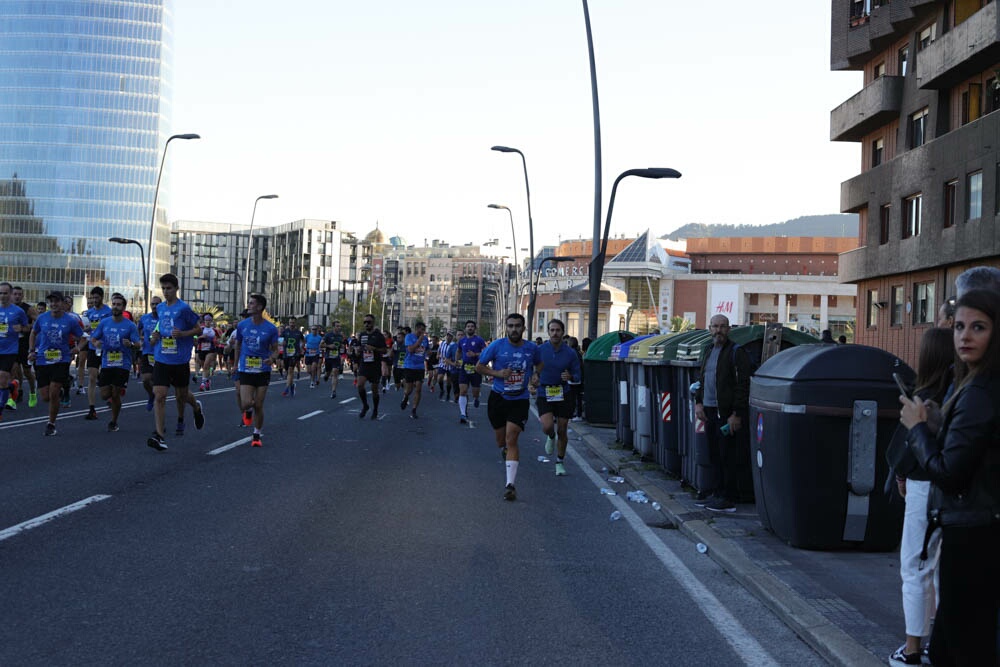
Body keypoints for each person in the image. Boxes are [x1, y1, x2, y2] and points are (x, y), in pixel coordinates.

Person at [901, 288, 1000, 666]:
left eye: (978, 327)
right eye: (959, 327)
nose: (965, 336)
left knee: (957, 647)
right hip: (979, 530)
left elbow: (950, 474)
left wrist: (917, 430)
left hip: (973, 535)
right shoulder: (976, 384)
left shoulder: (979, 392)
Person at [887, 327, 953, 667]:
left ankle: (912, 649)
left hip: (923, 486)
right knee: (939, 571)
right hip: (953, 489)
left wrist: (899, 474)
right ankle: (937, 644)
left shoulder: (923, 397)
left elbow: (905, 449)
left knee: (914, 567)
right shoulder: (959, 393)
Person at [476, 313, 542, 501]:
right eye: (511, 326)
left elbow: (539, 364)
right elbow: (479, 367)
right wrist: (497, 372)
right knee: (501, 441)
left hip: (519, 399)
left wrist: (536, 375)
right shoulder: (497, 346)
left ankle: (510, 485)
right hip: (498, 398)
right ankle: (505, 451)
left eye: (518, 326)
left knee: (511, 438)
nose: (514, 329)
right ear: (506, 328)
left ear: (523, 328)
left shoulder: (531, 348)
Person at [693, 314, 753, 513]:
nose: (718, 330)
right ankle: (716, 494)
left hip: (726, 414)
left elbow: (743, 386)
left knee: (727, 455)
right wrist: (698, 403)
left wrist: (736, 413)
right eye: (715, 326)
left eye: (722, 327)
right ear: (709, 329)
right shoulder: (709, 351)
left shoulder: (736, 352)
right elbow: (701, 379)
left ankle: (727, 498)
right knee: (714, 455)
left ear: (728, 329)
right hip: (709, 412)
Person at [147, 273, 206, 451]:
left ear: (176, 289)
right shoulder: (161, 308)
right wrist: (155, 336)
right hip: (162, 357)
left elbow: (197, 328)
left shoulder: (184, 308)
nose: (166, 292)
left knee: (181, 396)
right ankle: (159, 436)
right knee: (160, 395)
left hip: (180, 359)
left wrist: (183, 334)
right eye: (163, 288)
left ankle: (196, 407)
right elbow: (161, 326)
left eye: (169, 288)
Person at [28, 291, 84, 436]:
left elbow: (83, 337)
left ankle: (51, 423)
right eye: (51, 302)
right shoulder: (42, 318)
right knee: (46, 397)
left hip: (62, 359)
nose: (53, 304)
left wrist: (77, 348)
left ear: (63, 303)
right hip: (42, 360)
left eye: (56, 301)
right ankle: (62, 388)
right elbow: (33, 333)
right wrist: (32, 350)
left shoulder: (70, 320)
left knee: (53, 394)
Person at [86, 293, 140, 432]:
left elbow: (138, 343)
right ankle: (115, 394)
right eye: (114, 304)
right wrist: (96, 342)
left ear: (124, 307)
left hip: (123, 363)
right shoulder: (104, 322)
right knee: (105, 395)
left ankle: (114, 421)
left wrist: (131, 344)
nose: (115, 307)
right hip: (107, 362)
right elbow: (93, 337)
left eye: (119, 305)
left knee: (115, 394)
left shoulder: (130, 325)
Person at [536, 319, 581, 476]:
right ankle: (550, 436)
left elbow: (578, 375)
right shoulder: (540, 350)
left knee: (563, 429)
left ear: (563, 332)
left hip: (564, 393)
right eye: (552, 330)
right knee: (547, 426)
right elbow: (531, 368)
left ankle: (560, 462)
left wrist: (570, 376)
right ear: (548, 332)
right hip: (544, 392)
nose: (555, 333)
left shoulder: (570, 353)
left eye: (558, 330)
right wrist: (532, 379)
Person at [234, 294, 280, 447]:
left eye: (252, 303)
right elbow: (238, 345)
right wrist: (235, 364)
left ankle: (256, 434)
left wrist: (272, 359)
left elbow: (275, 350)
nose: (249, 305)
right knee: (246, 403)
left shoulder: (271, 328)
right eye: (249, 302)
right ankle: (247, 412)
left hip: (263, 370)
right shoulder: (242, 325)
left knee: (259, 405)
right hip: (246, 369)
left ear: (260, 307)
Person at [81, 286, 113, 420]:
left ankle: (112, 396)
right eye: (92, 297)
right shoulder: (88, 313)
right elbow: (84, 330)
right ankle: (92, 409)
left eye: (97, 297)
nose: (94, 300)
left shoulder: (108, 312)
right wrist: (86, 329)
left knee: (108, 378)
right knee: (92, 377)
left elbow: (113, 327)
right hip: (93, 348)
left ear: (102, 297)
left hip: (107, 348)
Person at [0, 282, 29, 422]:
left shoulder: (18, 311)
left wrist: (22, 329)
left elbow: (28, 327)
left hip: (9, 350)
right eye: (0, 293)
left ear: (10, 294)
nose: (2, 296)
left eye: (5, 293)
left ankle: (0, 410)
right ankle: (13, 386)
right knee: (3, 383)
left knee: (2, 378)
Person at [352, 314, 386, 420]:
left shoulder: (379, 335)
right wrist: (357, 352)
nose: (366, 324)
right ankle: (365, 405)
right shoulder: (361, 335)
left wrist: (374, 349)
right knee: (360, 385)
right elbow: (358, 347)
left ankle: (375, 409)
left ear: (373, 323)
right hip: (364, 364)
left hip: (375, 365)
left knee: (374, 389)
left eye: (369, 322)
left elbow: (385, 350)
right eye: (365, 322)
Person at [10, 285, 37, 409]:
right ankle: (17, 392)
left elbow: (38, 322)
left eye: (19, 294)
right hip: (12, 343)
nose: (17, 296)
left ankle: (32, 392)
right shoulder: (7, 308)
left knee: (26, 371)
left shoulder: (28, 309)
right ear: (11, 295)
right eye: (15, 294)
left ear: (22, 296)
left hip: (25, 343)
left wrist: (25, 328)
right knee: (14, 369)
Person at [457, 320, 486, 424]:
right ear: (465, 329)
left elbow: (485, 353)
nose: (470, 328)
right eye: (468, 326)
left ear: (475, 329)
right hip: (464, 368)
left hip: (476, 368)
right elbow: (459, 351)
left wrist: (475, 354)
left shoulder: (479, 340)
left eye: (472, 326)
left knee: (475, 391)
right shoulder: (461, 340)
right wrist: (457, 361)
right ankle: (463, 414)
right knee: (463, 391)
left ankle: (476, 398)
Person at [401, 321, 430, 419]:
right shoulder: (409, 337)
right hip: (409, 365)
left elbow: (427, 350)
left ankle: (414, 410)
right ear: (416, 329)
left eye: (423, 330)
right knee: (409, 389)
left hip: (420, 367)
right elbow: (410, 350)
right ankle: (405, 397)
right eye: (420, 330)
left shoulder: (425, 339)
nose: (422, 332)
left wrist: (428, 354)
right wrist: (419, 341)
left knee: (418, 388)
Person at [194, 313, 220, 391]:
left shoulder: (214, 330)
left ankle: (202, 384)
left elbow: (219, 340)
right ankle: (207, 380)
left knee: (206, 365)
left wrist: (216, 341)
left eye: (209, 320)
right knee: (204, 368)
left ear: (212, 321)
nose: (208, 322)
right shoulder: (201, 329)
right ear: (204, 321)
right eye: (206, 320)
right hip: (201, 350)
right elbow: (195, 337)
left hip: (211, 350)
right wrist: (200, 337)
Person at [321, 320, 346, 398]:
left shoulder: (340, 336)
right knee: (328, 372)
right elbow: (321, 345)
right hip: (328, 357)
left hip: (336, 357)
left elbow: (342, 345)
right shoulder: (328, 335)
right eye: (337, 326)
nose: (339, 327)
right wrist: (329, 346)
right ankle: (326, 375)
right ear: (333, 327)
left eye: (339, 326)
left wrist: (342, 346)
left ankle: (333, 391)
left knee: (335, 372)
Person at [280, 319, 304, 397]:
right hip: (286, 354)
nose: (291, 324)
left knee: (290, 370)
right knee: (287, 372)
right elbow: (279, 340)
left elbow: (303, 341)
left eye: (293, 323)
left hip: (295, 354)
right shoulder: (285, 332)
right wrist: (282, 342)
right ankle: (292, 385)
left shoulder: (298, 333)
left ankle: (286, 388)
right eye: (290, 322)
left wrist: (301, 347)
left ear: (295, 323)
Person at [437, 331, 456, 401]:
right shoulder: (442, 343)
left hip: (450, 364)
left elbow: (455, 355)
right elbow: (439, 351)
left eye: (450, 336)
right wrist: (438, 355)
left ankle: (448, 394)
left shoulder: (454, 345)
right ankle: (442, 390)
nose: (448, 337)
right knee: (440, 378)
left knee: (449, 381)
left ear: (452, 337)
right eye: (448, 335)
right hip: (442, 363)